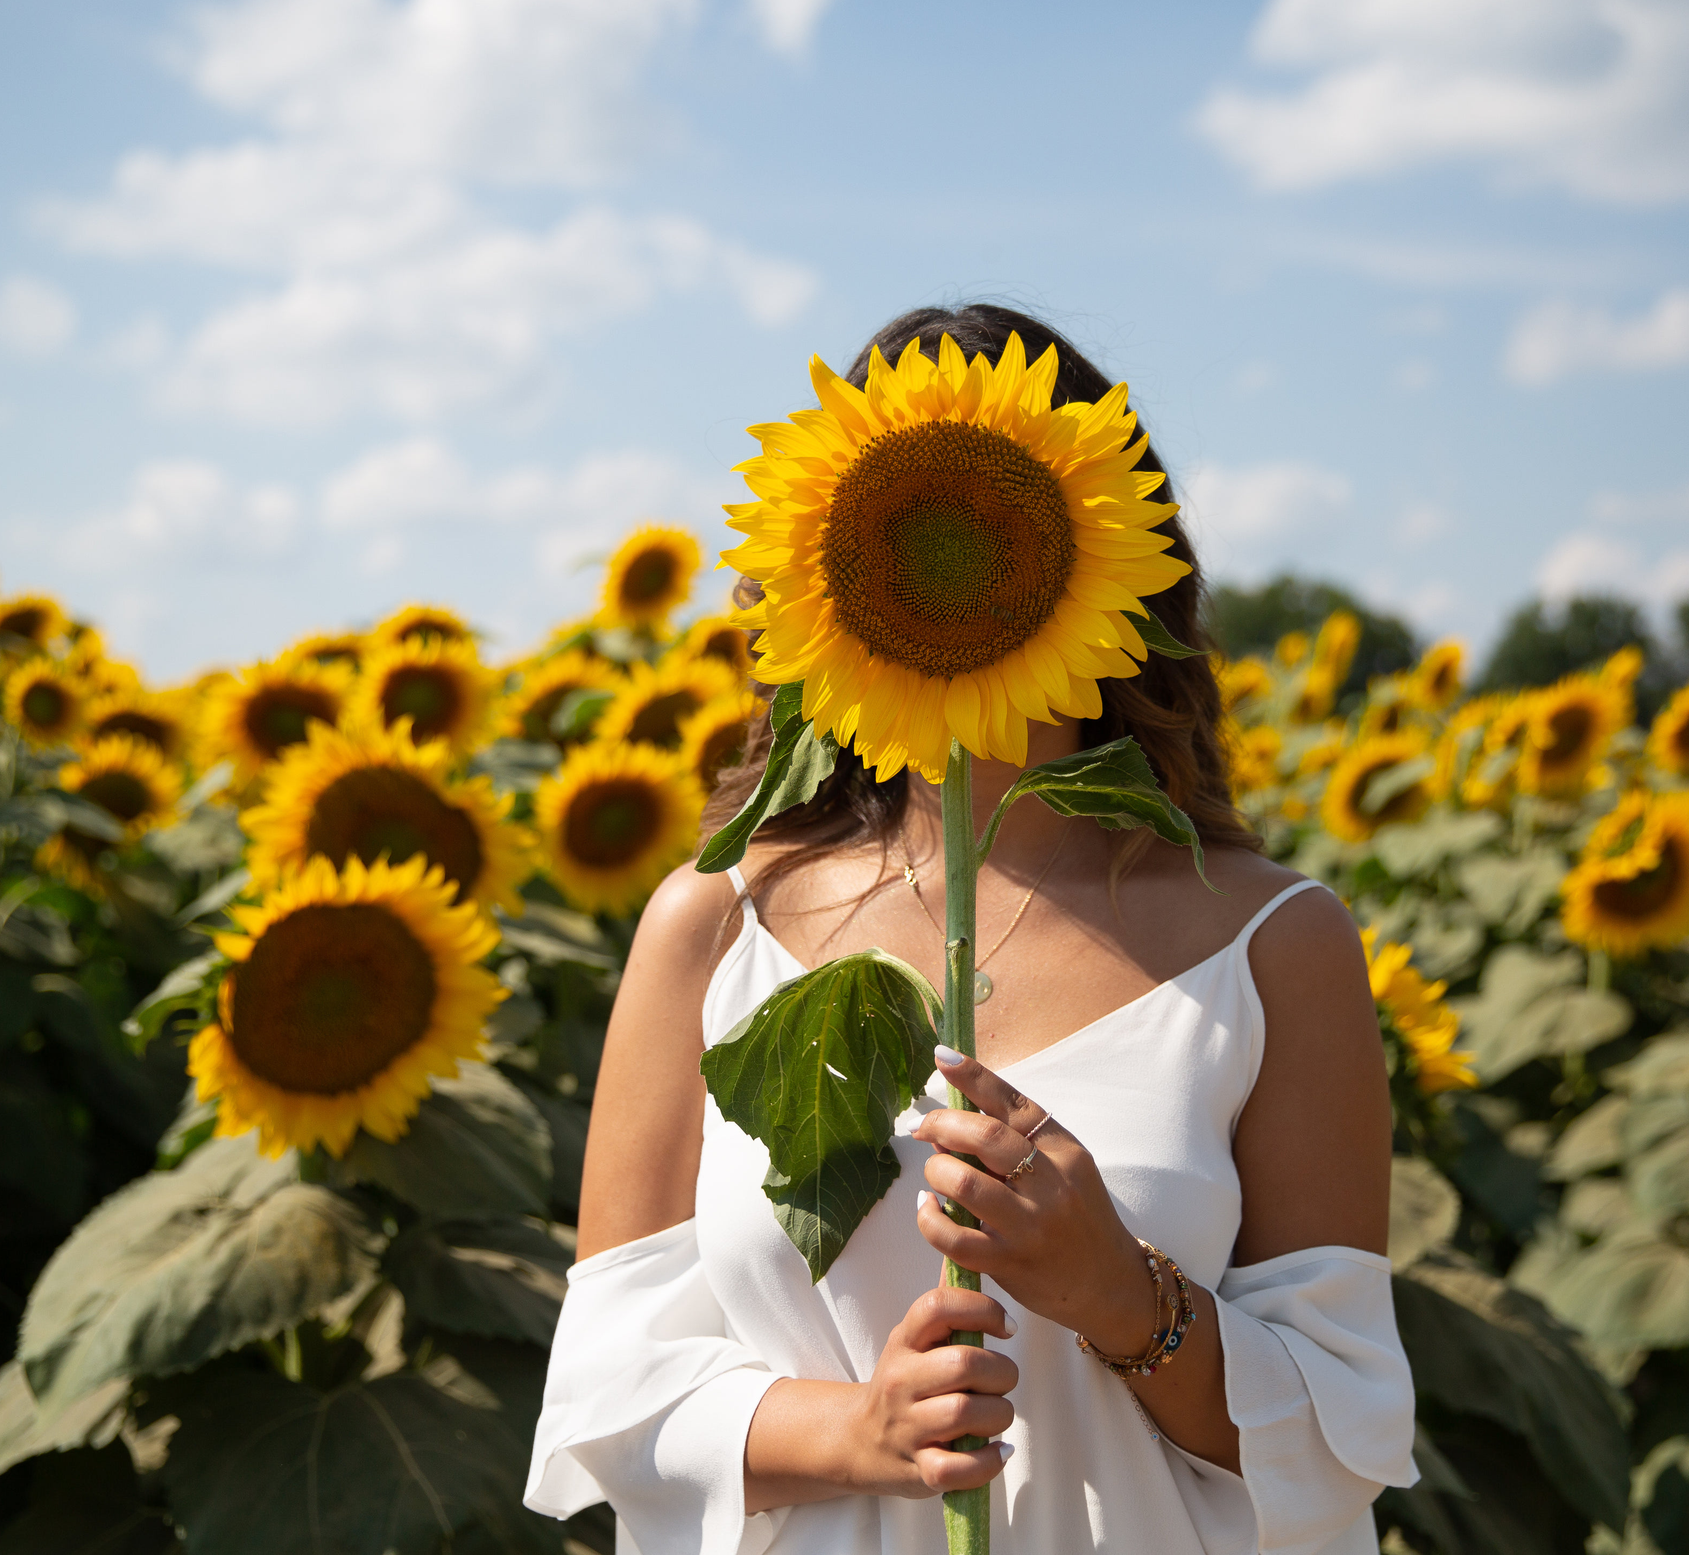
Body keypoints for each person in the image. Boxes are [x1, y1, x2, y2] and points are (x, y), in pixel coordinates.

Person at [525, 305, 1417, 1554]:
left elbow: (1345, 1435)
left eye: (984, 527)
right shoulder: (716, 928)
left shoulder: (1271, 943)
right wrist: (857, 1431)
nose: (943, 566)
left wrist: (1125, 1298)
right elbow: (605, 1392)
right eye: (897, 535)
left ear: (1114, 557)